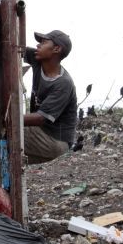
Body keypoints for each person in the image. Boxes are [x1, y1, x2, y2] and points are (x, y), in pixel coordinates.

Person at [24, 30, 77, 163]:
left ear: (56, 49)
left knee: (5, 135)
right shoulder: (38, 60)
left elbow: (41, 119)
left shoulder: (63, 83)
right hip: (39, 132)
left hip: (55, 140)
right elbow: (14, 49)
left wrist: (4, 117)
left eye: (44, 42)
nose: (38, 45)